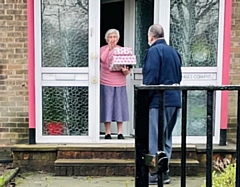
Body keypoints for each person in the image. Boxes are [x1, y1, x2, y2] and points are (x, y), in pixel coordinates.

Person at [142, 24, 182, 184]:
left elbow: (151, 78)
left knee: (154, 138)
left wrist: (145, 101)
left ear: (151, 37)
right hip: (175, 100)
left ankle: (154, 173)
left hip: (159, 101)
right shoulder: (174, 52)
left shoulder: (153, 51)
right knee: (166, 138)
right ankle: (164, 173)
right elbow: (178, 75)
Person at [100, 29, 130, 140]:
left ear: (118, 38)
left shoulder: (122, 50)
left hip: (120, 82)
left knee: (119, 106)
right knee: (107, 106)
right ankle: (107, 132)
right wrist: (109, 48)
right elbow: (102, 59)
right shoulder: (102, 49)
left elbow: (128, 68)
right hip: (105, 81)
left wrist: (126, 71)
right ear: (107, 38)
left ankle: (119, 132)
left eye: (114, 37)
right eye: (110, 37)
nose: (112, 39)